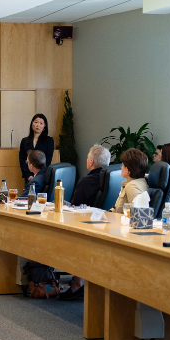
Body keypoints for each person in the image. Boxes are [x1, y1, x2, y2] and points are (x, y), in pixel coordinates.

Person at [60, 146, 112, 301]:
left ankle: (78, 282)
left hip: (84, 227)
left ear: (90, 161)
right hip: (106, 227)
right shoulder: (115, 178)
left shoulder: (86, 181)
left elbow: (76, 206)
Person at [19, 114, 54, 182]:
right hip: (28, 177)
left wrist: (38, 176)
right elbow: (22, 159)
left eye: (41, 123)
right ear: (32, 124)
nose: (38, 125)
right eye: (36, 122)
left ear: (44, 126)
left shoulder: (49, 140)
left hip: (42, 177)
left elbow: (48, 160)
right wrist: (28, 176)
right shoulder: (24, 141)